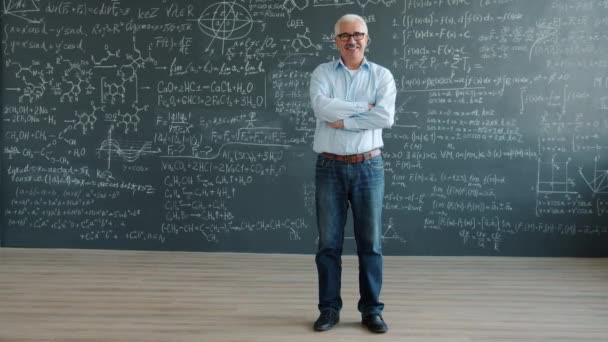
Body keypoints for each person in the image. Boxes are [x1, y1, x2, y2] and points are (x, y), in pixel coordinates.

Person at [309, 14, 396, 333]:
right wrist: (365, 109)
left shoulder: (382, 76)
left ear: (367, 39)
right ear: (336, 41)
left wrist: (343, 118)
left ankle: (371, 310)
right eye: (345, 35)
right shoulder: (322, 73)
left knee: (370, 243)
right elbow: (321, 109)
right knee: (328, 244)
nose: (352, 40)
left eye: (358, 34)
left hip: (368, 167)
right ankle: (329, 309)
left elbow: (385, 117)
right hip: (329, 167)